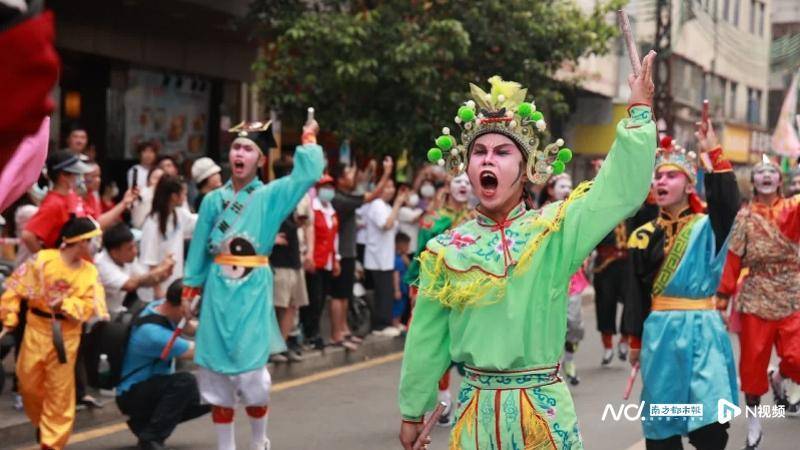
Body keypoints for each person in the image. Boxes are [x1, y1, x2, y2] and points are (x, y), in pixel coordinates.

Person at [399, 53, 657, 450]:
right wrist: (413, 412)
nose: (488, 159)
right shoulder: (445, 250)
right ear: (466, 168)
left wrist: (638, 111)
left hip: (543, 415)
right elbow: (425, 340)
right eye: (479, 152)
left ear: (527, 170)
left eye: (502, 152)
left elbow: (618, 190)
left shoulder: (554, 231)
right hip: (474, 417)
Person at [183, 118, 324, 450]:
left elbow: (307, 175)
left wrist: (308, 140)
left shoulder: (271, 195)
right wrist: (191, 286)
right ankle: (225, 445)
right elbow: (200, 246)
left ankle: (259, 440)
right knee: (216, 371)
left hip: (253, 288)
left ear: (261, 159)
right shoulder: (211, 202)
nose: (240, 153)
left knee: (251, 372)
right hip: (218, 289)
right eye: (236, 147)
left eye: (248, 148)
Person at [622, 123, 741, 449]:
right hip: (660, 334)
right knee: (662, 427)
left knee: (710, 428)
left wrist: (714, 153)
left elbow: (728, 203)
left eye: (671, 176)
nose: (661, 181)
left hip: (703, 329)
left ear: (690, 183)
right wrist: (635, 339)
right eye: (658, 176)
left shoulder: (708, 227)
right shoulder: (643, 235)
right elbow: (635, 293)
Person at [1, 216, 107, 450]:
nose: (95, 246)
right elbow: (15, 288)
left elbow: (91, 306)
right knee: (29, 385)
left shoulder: (90, 272)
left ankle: (52, 443)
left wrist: (67, 304)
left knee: (59, 393)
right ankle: (44, 423)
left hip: (67, 336)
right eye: (92, 241)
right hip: (36, 330)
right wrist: (9, 317)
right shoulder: (43, 260)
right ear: (80, 242)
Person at [716, 155, 800, 448]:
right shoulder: (744, 217)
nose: (766, 176)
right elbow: (733, 258)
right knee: (752, 364)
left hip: (791, 292)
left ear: (780, 180)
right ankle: (754, 424)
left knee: (796, 356)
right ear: (753, 181)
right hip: (755, 297)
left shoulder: (794, 208)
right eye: (760, 172)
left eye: (771, 172)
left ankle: (779, 376)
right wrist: (721, 299)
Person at [116, 279, 210, 450]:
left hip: (150, 387)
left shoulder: (161, 307)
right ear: (182, 307)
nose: (195, 312)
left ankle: (143, 423)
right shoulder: (153, 334)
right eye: (193, 308)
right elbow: (200, 353)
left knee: (211, 394)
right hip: (133, 394)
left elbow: (189, 328)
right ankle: (150, 438)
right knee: (186, 382)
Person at [328, 157, 393, 345]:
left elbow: (361, 185)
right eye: (348, 173)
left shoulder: (346, 195)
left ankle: (344, 330)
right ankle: (336, 333)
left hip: (348, 252)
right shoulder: (340, 198)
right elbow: (371, 196)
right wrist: (386, 173)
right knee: (338, 295)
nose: (352, 176)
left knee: (345, 294)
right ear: (339, 179)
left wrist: (369, 172)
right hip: (339, 253)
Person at [270, 158, 310, 362]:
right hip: (279, 260)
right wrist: (270, 238)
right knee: (279, 304)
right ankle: (273, 348)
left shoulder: (294, 197)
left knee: (292, 305)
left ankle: (283, 345)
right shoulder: (273, 195)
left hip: (294, 258)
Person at [303, 175, 346, 350]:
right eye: (324, 187)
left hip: (328, 261)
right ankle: (310, 334)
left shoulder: (332, 211)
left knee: (321, 300)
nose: (328, 190)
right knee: (314, 298)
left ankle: (314, 334)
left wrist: (336, 259)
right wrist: (309, 256)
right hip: (315, 260)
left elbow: (334, 237)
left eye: (330, 187)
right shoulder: (312, 209)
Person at [95, 223, 174, 318]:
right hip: (102, 317)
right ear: (115, 253)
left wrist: (164, 274)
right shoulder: (101, 265)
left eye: (134, 246)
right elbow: (130, 285)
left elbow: (146, 279)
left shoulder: (128, 258)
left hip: (119, 309)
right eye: (130, 248)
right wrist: (161, 269)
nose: (135, 251)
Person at [140, 175, 196, 298]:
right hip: (156, 290)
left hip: (174, 284)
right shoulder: (152, 223)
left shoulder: (179, 214)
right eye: (183, 194)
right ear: (174, 197)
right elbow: (151, 261)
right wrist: (157, 291)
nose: (185, 198)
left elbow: (198, 222)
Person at [364, 179, 407, 336]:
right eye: (387, 187)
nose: (390, 190)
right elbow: (386, 225)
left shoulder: (386, 206)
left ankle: (388, 322)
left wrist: (395, 205)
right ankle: (379, 326)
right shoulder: (376, 205)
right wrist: (397, 204)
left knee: (387, 293)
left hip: (386, 257)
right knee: (382, 293)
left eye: (392, 187)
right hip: (377, 259)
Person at [392, 232, 411, 330]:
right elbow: (395, 275)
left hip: (404, 288)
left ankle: (398, 323)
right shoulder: (397, 260)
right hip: (399, 288)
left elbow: (410, 267)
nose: (409, 248)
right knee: (397, 307)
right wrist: (396, 290)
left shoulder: (402, 258)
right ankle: (395, 324)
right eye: (407, 245)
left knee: (402, 306)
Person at [397, 189, 423, 255]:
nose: (413, 197)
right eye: (410, 196)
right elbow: (414, 219)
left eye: (413, 194)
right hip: (406, 249)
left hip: (415, 247)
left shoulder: (417, 210)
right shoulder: (402, 210)